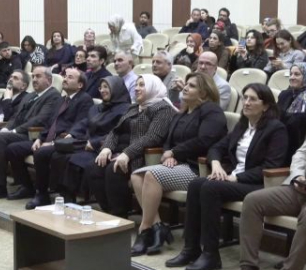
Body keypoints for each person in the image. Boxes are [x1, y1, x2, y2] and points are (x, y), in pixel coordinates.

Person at [166, 83, 288, 270]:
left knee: (210, 187)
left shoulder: (276, 129)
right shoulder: (242, 126)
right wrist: (215, 164)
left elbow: (270, 166)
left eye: (252, 99)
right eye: (245, 97)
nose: (246, 102)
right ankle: (191, 248)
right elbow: (216, 147)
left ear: (265, 106)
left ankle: (211, 254)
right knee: (196, 183)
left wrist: (236, 178)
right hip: (233, 180)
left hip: (259, 184)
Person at [130, 72, 227, 257]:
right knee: (136, 175)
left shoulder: (212, 111)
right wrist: (168, 155)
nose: (185, 88)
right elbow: (168, 141)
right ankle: (157, 226)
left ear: (204, 93)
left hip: (196, 168)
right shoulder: (181, 112)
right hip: (176, 165)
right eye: (186, 84)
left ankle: (145, 229)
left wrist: (175, 152)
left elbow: (204, 141)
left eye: (191, 86)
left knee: (151, 175)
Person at [88, 74, 177, 218]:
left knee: (114, 169)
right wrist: (107, 148)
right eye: (136, 85)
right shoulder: (135, 107)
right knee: (95, 166)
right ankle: (108, 212)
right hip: (122, 152)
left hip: (144, 156)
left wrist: (127, 153)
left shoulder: (163, 109)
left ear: (152, 87)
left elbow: (152, 137)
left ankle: (120, 216)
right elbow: (116, 131)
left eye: (142, 85)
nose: (136, 88)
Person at [5, 68, 93, 207]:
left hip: (66, 142)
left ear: (80, 85)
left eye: (70, 77)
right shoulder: (63, 99)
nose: (64, 79)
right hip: (48, 140)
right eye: (65, 76)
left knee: (41, 153)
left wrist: (53, 142)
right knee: (13, 149)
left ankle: (42, 195)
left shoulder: (84, 100)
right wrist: (40, 138)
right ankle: (27, 187)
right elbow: (50, 123)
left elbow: (79, 126)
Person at [0, 66, 61, 199]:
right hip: (17, 132)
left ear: (49, 80)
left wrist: (14, 130)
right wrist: (7, 128)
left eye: (38, 76)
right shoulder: (31, 95)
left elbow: (40, 120)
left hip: (32, 134)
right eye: (33, 77)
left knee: (0, 139)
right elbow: (16, 116)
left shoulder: (53, 95)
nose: (35, 79)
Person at [48, 76, 131, 201]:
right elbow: (84, 122)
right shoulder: (98, 107)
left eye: (106, 87)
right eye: (100, 87)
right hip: (87, 142)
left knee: (74, 161)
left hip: (105, 146)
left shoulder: (126, 109)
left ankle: (70, 198)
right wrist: (73, 133)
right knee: (58, 155)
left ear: (116, 89)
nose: (102, 90)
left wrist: (95, 143)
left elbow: (118, 133)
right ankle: (63, 195)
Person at [239, 137, 306, 270]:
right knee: (253, 201)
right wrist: (298, 175)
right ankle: (248, 265)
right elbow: (301, 154)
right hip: (300, 188)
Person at [277, 63, 306, 165]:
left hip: (298, 144)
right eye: (291, 74)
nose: (292, 77)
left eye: (297, 74)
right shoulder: (284, 94)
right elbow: (276, 116)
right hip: (279, 138)